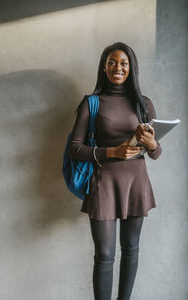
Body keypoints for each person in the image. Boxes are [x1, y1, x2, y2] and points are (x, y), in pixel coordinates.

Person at [67, 42, 162, 300]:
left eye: (123, 63)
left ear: (131, 68)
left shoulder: (144, 104)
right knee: (105, 256)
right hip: (103, 184)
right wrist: (112, 152)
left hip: (136, 184)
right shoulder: (92, 103)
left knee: (131, 249)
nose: (117, 67)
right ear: (104, 67)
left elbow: (156, 153)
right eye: (111, 62)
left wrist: (153, 144)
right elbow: (75, 148)